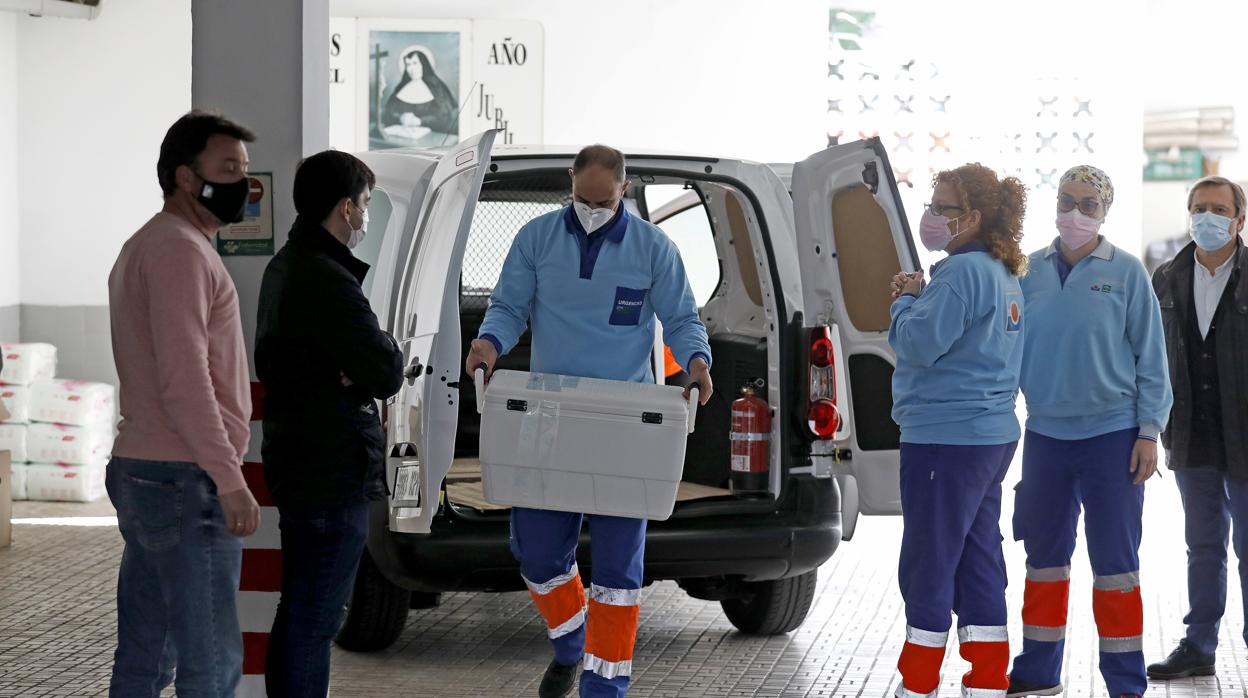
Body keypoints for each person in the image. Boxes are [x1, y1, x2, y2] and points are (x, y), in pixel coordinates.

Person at [465, 144, 713, 698]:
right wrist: (487, 343)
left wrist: (697, 363)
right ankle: (571, 638)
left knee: (619, 575)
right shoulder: (536, 239)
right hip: (551, 414)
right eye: (583, 198)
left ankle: (605, 689)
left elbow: (681, 318)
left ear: (623, 189)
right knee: (535, 551)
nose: (593, 209)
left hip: (627, 425)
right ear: (570, 184)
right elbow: (508, 306)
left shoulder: (654, 249)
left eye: (603, 200)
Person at [105, 110, 260, 697]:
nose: (244, 186)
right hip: (184, 478)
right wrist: (230, 478)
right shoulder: (180, 252)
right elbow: (185, 379)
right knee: (211, 661)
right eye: (229, 170)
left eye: (245, 172)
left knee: (148, 650)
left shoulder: (151, 243)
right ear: (186, 178)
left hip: (151, 471)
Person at [1005, 166, 1171, 698]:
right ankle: (1037, 672)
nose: (1076, 212)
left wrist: (1150, 431)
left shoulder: (1125, 272)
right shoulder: (1025, 270)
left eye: (1089, 204)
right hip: (1047, 437)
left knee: (1116, 566)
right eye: (1067, 200)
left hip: (1113, 437)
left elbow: (1153, 358)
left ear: (1105, 211)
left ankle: (1125, 683)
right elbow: (1004, 351)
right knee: (1044, 561)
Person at [255, 150, 405, 697]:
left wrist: (355, 369)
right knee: (313, 622)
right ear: (346, 207)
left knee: (300, 612)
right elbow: (386, 368)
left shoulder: (288, 265)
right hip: (329, 468)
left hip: (304, 462)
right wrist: (374, 357)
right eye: (365, 204)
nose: (366, 216)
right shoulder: (325, 278)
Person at [888, 164, 1028, 698]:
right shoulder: (1003, 272)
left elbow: (921, 343)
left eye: (940, 206)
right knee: (977, 555)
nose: (930, 215)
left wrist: (903, 299)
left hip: (944, 437)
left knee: (929, 557)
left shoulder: (960, 274)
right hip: (989, 435)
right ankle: (988, 679)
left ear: (969, 217)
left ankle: (918, 683)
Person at [1147, 176, 1248, 681]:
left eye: (1218, 209)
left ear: (1239, 219)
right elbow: (1149, 357)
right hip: (1191, 433)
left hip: (1246, 436)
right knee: (1203, 545)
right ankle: (1199, 644)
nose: (1207, 217)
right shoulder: (1165, 278)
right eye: (1199, 208)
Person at [380, 45, 457, 139]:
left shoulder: (436, 87)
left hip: (432, 139)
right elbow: (388, 113)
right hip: (403, 138)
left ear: (423, 65)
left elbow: (444, 117)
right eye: (408, 64)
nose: (411, 69)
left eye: (415, 63)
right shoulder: (401, 88)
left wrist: (420, 121)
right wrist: (400, 118)